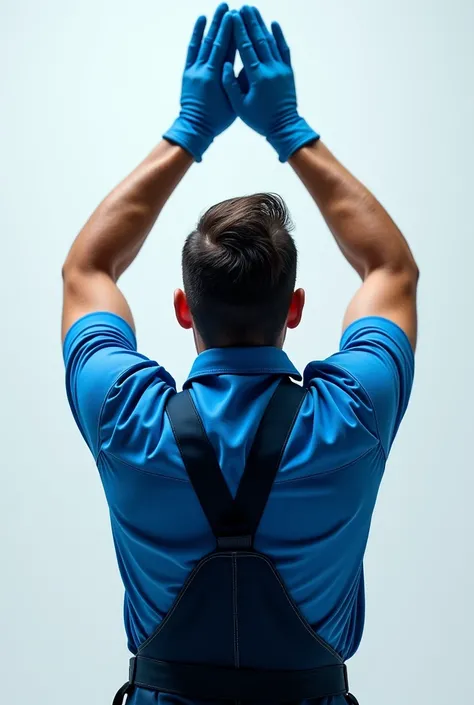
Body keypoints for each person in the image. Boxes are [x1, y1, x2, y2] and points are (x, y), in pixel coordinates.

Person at [62, 4, 419, 704]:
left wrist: (189, 131)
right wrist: (290, 131)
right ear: (294, 308)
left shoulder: (123, 413)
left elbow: (87, 269)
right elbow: (390, 270)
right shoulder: (353, 413)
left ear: (183, 308)